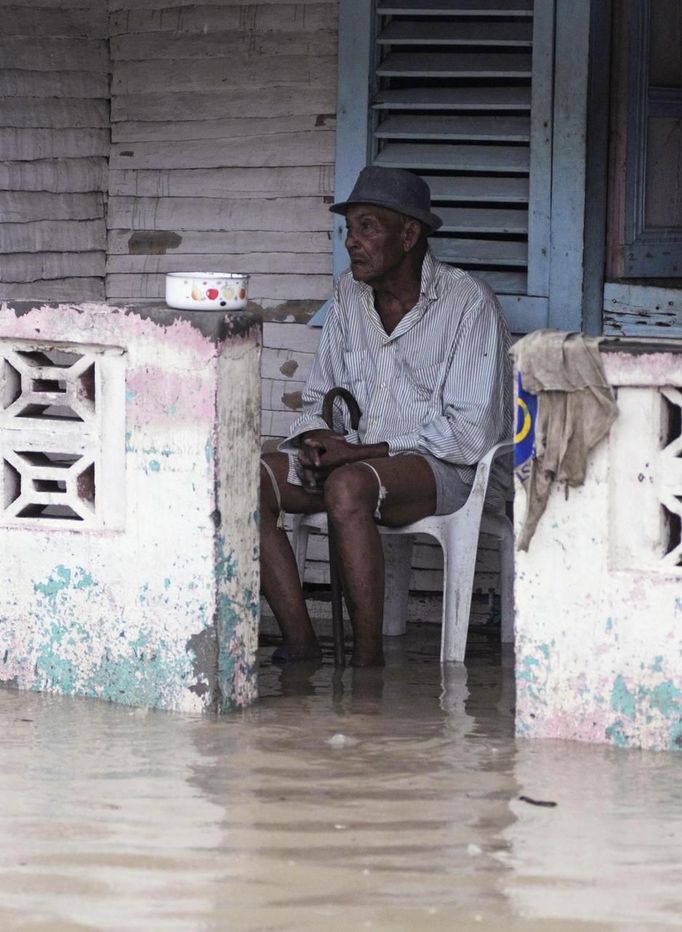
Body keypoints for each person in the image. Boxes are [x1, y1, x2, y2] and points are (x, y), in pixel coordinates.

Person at [260, 165, 512, 667]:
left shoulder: (467, 304)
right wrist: (316, 440)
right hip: (357, 462)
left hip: (448, 469)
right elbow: (317, 397)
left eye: (368, 227)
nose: (352, 242)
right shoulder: (350, 295)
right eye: (349, 229)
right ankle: (304, 644)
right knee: (245, 477)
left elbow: (470, 434)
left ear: (409, 234)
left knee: (349, 485)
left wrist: (360, 453)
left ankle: (367, 661)